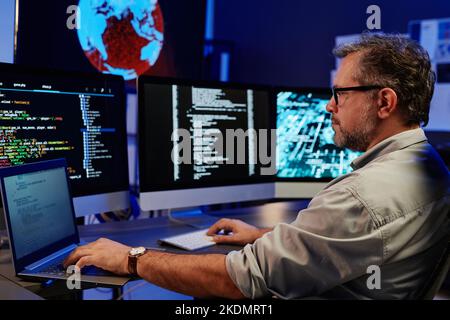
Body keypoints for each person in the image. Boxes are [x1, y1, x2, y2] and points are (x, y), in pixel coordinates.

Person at [64, 33, 450, 299]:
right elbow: (354, 239)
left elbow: (240, 282)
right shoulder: (426, 164)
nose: (329, 105)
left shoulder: (362, 194)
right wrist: (263, 235)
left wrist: (132, 258)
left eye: (340, 94)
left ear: (384, 103)